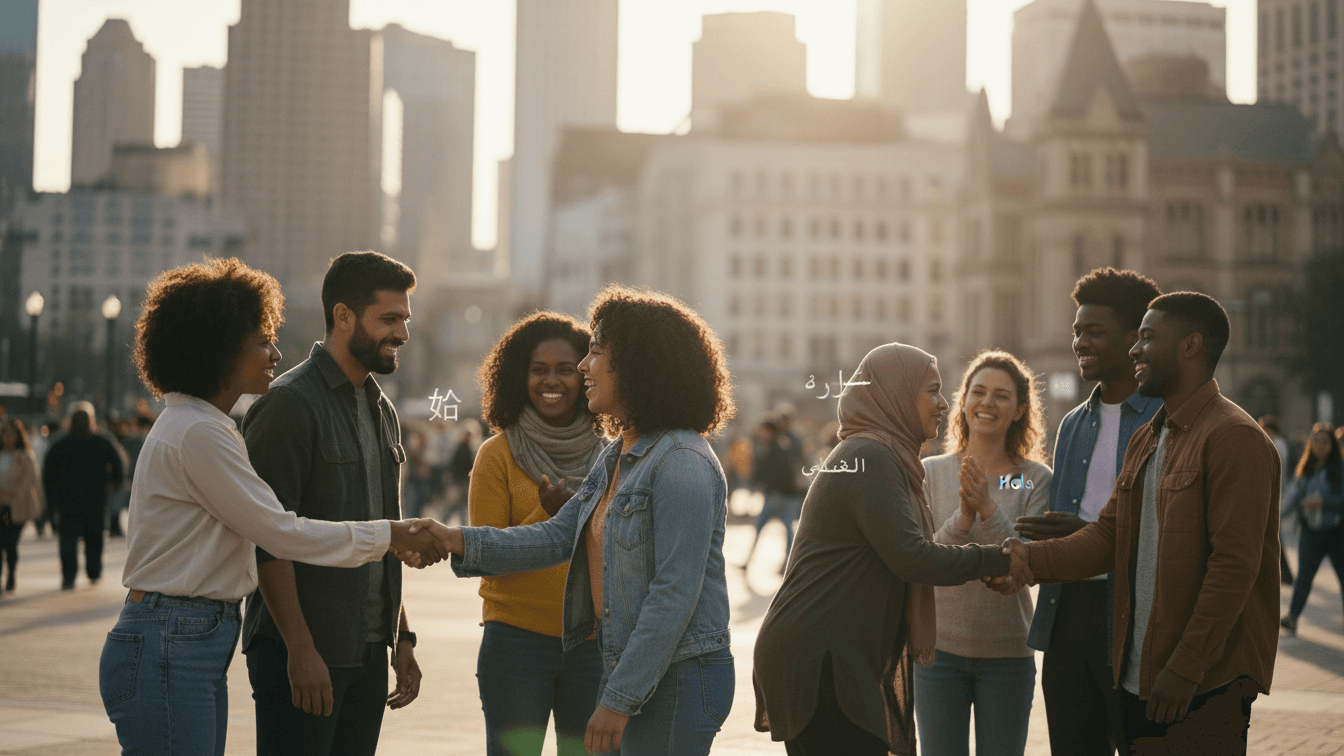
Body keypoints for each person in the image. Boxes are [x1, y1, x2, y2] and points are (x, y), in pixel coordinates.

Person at [99, 257, 446, 756]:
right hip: (174, 636)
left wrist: (402, 634)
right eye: (263, 341)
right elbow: (278, 533)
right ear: (221, 348)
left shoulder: (206, 426)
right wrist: (389, 535)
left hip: (192, 636)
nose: (276, 353)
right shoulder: (205, 430)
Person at [414, 286, 737, 756]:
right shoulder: (620, 454)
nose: (584, 366)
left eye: (596, 352)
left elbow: (674, 595)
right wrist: (453, 539)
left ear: (636, 366)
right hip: (635, 668)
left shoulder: (681, 462)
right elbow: (558, 535)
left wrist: (618, 700)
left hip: (677, 680)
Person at [991, 292, 1281, 755]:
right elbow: (1110, 535)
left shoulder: (1233, 436)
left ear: (1190, 346)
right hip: (1139, 677)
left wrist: (1185, 667)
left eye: (1146, 338)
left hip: (1203, 683)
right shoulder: (1150, 436)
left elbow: (1233, 569)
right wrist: (1028, 559)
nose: (1134, 350)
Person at [752, 343, 1014, 756]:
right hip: (821, 659)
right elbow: (913, 557)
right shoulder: (870, 456)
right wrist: (1000, 557)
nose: (944, 403)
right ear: (896, 394)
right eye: (932, 390)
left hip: (821, 653)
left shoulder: (882, 455)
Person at [240, 251, 426, 756]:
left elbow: (382, 536)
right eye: (389, 319)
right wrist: (300, 649)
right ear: (343, 316)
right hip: (302, 650)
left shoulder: (382, 410)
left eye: (405, 320)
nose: (402, 333)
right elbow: (266, 539)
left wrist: (402, 638)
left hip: (368, 652)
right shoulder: (288, 404)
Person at [1013, 267, 1161, 756]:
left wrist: (1086, 534)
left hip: (1132, 614)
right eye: (1077, 331)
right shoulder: (1073, 423)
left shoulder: (1164, 420)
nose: (1080, 342)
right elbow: (1054, 507)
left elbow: (1168, 532)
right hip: (1067, 613)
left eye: (1094, 331)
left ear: (1134, 338)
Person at [469, 311, 606, 756]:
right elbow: (486, 558)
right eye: (538, 369)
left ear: (586, 375)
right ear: (519, 376)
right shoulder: (497, 455)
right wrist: (545, 516)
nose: (552, 380)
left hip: (593, 646)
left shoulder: (611, 456)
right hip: (516, 644)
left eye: (566, 369)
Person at [914, 350, 1051, 756]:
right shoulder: (930, 472)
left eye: (1001, 395)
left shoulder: (1031, 479)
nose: (987, 402)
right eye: (978, 391)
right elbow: (922, 559)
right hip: (937, 654)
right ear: (963, 401)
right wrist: (963, 517)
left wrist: (988, 508)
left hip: (1008, 656)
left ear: (1020, 410)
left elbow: (1027, 562)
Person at [42, 403, 123, 589]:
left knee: (68, 541)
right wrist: (110, 485)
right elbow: (119, 468)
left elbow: (48, 476)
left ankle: (69, 577)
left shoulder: (60, 445)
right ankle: (93, 571)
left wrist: (51, 501)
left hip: (67, 502)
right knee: (94, 538)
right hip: (95, 500)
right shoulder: (102, 443)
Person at [1279, 423, 1344, 635]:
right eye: (1315, 441)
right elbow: (1292, 498)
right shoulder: (1306, 468)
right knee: (1304, 577)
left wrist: (1324, 503)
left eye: (1324, 442)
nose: (1319, 445)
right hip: (1310, 532)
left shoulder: (1340, 468)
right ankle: (1292, 618)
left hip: (1336, 532)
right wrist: (1276, 519)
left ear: (1332, 445)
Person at [740, 418, 801, 573]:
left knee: (774, 529)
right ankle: (787, 564)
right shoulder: (778, 445)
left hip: (779, 496)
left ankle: (786, 564)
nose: (760, 433)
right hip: (781, 495)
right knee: (784, 531)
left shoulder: (775, 448)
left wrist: (758, 480)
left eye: (763, 430)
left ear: (770, 431)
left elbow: (772, 472)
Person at [0, 419, 43, 593]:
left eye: (11, 434)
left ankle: (11, 573)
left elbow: (31, 481)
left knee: (10, 543)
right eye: (5, 433)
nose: (8, 437)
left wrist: (11, 493)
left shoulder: (25, 456)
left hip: (15, 506)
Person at [1260, 415, 1297, 586]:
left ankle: (1285, 574)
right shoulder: (1279, 444)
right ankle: (1285, 574)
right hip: (1278, 494)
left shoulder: (1277, 446)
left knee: (1274, 536)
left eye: (1263, 429)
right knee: (1274, 536)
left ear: (1270, 430)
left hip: (1276, 495)